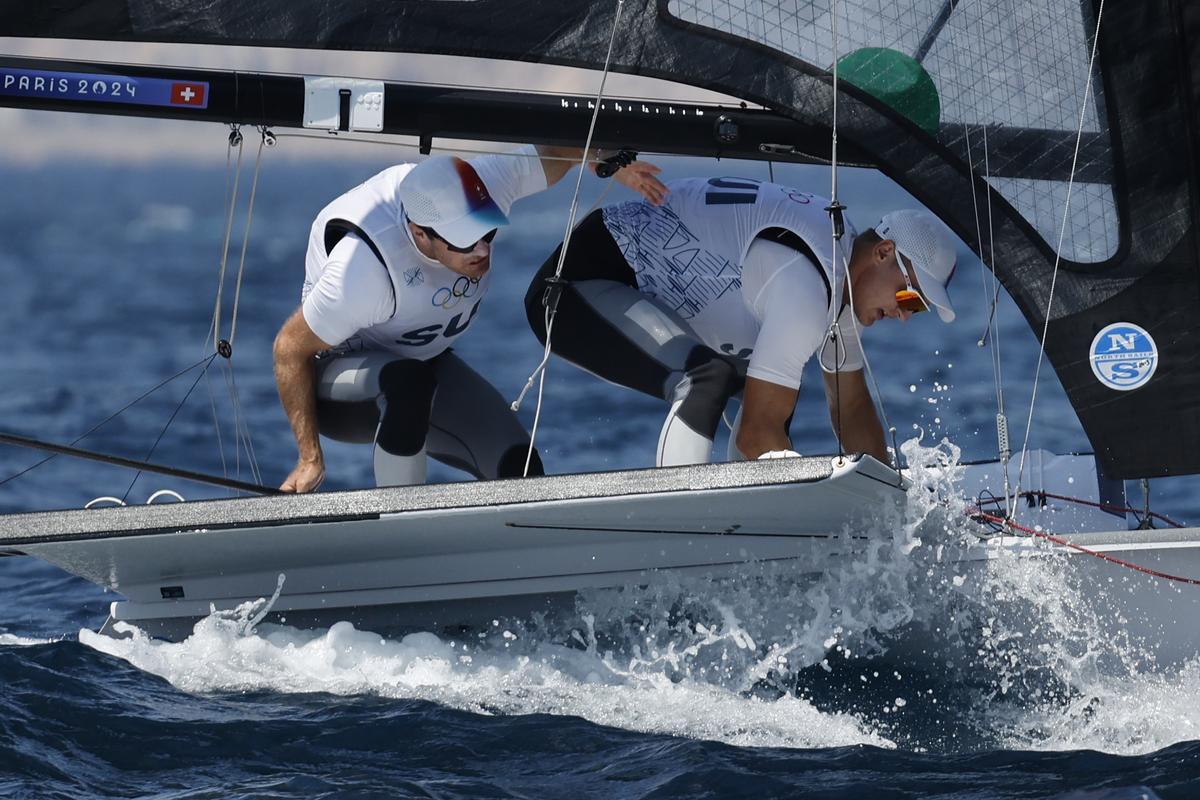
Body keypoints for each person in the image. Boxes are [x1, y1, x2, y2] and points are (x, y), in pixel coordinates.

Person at [274, 145, 668, 493]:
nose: (482, 249)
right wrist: (310, 459)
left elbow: (561, 150)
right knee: (407, 382)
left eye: (488, 231)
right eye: (464, 239)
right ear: (420, 234)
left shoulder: (481, 185)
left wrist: (612, 165)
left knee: (520, 471)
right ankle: (404, 531)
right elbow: (289, 350)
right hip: (340, 389)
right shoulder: (362, 273)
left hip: (425, 367)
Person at [524, 175, 957, 466]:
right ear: (883, 253)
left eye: (916, 308)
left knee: (772, 397)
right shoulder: (809, 285)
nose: (904, 315)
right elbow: (755, 438)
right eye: (910, 296)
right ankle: (680, 543)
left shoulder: (843, 273)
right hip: (573, 286)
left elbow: (851, 408)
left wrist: (886, 504)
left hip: (636, 293)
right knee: (704, 381)